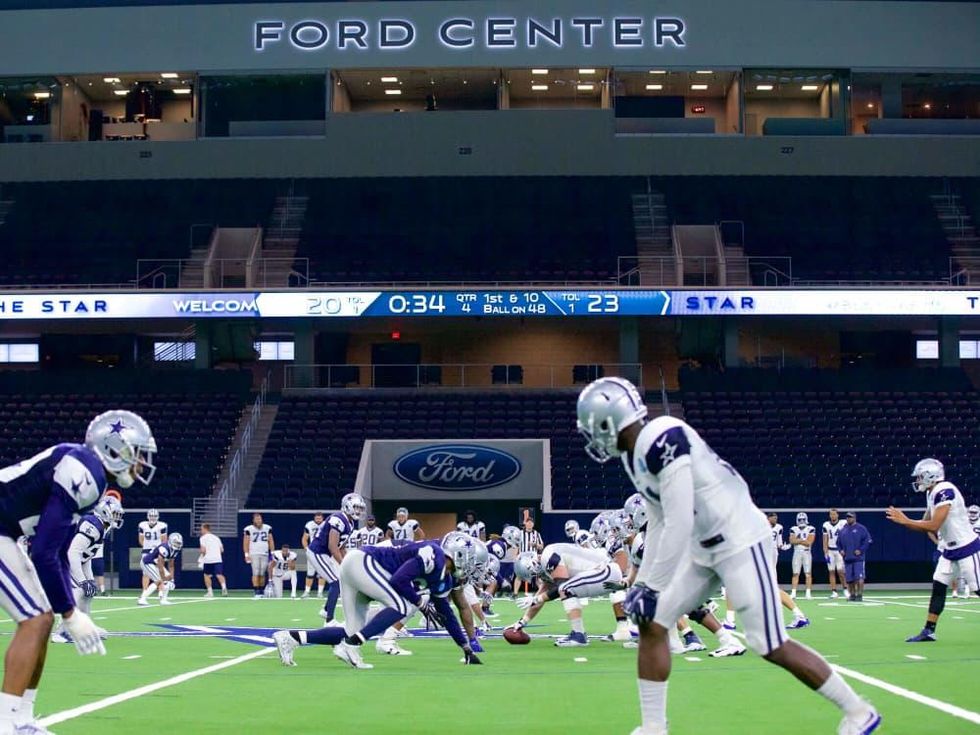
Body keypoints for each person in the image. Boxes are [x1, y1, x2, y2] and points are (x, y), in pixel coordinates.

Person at [576, 377, 880, 735]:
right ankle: (654, 727)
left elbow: (677, 518)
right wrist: (644, 586)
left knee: (767, 643)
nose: (593, 437)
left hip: (740, 541)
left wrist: (653, 585)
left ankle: (859, 711)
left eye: (594, 428)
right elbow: (658, 521)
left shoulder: (663, 438)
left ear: (610, 422)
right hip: (704, 548)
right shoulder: (635, 458)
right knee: (652, 622)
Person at [0, 409, 156, 733]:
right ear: (114, 449)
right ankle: (5, 723)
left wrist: (65, 608)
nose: (140, 463)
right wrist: (70, 614)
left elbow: (53, 549)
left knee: (42, 621)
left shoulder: (89, 474)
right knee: (34, 620)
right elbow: (44, 552)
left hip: (8, 534)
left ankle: (22, 719)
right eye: (136, 454)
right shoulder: (84, 470)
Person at [272, 537, 484, 670]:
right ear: (459, 555)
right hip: (362, 562)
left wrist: (465, 647)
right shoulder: (434, 554)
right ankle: (353, 644)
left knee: (350, 630)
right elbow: (398, 580)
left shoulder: (443, 577)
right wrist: (420, 603)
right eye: (473, 562)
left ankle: (291, 637)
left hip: (360, 569)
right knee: (403, 606)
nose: (473, 569)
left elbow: (445, 612)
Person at [886, 458, 980, 642]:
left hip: (966, 547)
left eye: (921, 477)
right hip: (949, 549)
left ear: (931, 476)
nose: (918, 480)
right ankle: (929, 630)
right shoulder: (932, 493)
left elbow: (934, 524)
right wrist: (905, 522)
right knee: (938, 586)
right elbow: (925, 524)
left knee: (978, 589)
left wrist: (906, 520)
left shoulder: (945, 491)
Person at [52, 495, 124, 644]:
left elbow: (86, 557)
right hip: (60, 558)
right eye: (115, 513)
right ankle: (61, 632)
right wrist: (82, 580)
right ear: (105, 511)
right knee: (78, 590)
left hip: (69, 558)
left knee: (88, 590)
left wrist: (89, 580)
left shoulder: (102, 527)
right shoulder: (93, 524)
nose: (117, 517)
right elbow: (73, 552)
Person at [309, 493, 364, 626]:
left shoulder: (350, 523)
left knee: (339, 582)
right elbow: (332, 546)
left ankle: (326, 609)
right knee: (335, 582)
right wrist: (344, 565)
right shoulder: (338, 519)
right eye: (355, 507)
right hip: (317, 552)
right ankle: (329, 620)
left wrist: (348, 563)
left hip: (325, 554)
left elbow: (341, 547)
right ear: (347, 506)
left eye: (360, 508)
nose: (358, 511)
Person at [138, 533, 184, 606]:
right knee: (158, 581)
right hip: (147, 562)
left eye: (178, 543)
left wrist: (172, 579)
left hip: (155, 563)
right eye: (176, 543)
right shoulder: (164, 548)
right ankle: (142, 599)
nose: (177, 545)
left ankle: (164, 599)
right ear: (171, 541)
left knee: (168, 579)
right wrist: (164, 578)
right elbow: (160, 564)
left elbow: (171, 565)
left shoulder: (175, 550)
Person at [836, 513, 871, 603]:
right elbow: (838, 543)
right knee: (849, 579)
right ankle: (852, 594)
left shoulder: (861, 528)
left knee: (859, 577)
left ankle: (859, 594)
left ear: (854, 518)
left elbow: (868, 541)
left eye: (850, 517)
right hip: (847, 558)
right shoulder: (843, 530)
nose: (848, 519)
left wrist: (861, 550)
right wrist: (841, 550)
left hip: (858, 559)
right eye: (847, 517)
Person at [243, 513, 274, 599]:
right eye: (256, 519)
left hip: (264, 553)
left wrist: (272, 552)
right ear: (253, 520)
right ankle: (256, 591)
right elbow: (246, 542)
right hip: (254, 553)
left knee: (262, 572)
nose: (258, 521)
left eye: (259, 519)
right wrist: (246, 554)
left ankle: (261, 590)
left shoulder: (267, 528)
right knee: (256, 572)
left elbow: (270, 540)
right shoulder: (249, 529)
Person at [138, 508, 167, 594]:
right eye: (151, 516)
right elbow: (140, 540)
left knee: (160, 571)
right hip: (146, 551)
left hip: (157, 551)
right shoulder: (142, 525)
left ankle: (161, 592)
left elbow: (164, 540)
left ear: (157, 517)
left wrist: (158, 550)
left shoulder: (162, 526)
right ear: (148, 516)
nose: (153, 518)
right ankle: (145, 591)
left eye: (154, 516)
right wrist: (148, 548)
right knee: (146, 572)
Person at [822, 509, 847, 599]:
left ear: (837, 515)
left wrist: (845, 549)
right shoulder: (826, 525)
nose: (832, 516)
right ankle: (834, 591)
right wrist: (825, 553)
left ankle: (845, 589)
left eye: (834, 514)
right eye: (831, 514)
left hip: (839, 550)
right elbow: (825, 539)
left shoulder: (843, 523)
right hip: (830, 550)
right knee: (831, 571)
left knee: (841, 571)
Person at [790, 512, 815, 600]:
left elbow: (809, 543)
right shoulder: (793, 529)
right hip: (797, 552)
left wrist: (798, 540)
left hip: (806, 552)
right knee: (795, 573)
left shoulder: (810, 528)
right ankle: (793, 592)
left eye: (803, 519)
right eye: (800, 519)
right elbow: (792, 541)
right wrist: (803, 540)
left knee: (808, 573)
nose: (801, 521)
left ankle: (808, 593)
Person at [515, 518, 544, 595]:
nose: (530, 524)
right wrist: (516, 556)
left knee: (537, 575)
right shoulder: (520, 533)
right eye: (528, 523)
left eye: (531, 523)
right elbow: (516, 545)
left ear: (533, 524)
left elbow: (541, 546)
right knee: (519, 575)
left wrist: (534, 544)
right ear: (525, 524)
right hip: (522, 556)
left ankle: (541, 591)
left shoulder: (536, 533)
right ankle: (515, 593)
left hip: (533, 557)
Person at [300, 512, 325, 599]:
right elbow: (304, 538)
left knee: (322, 573)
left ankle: (320, 592)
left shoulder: (326, 525)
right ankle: (307, 592)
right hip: (313, 551)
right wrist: (307, 549)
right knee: (310, 573)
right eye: (317, 518)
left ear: (322, 518)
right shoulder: (309, 525)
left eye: (320, 518)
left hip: (323, 551)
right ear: (314, 518)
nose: (318, 520)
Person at [198, 523, 226, 598]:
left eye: (201, 529)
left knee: (206, 575)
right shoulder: (217, 538)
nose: (201, 531)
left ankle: (210, 592)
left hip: (208, 560)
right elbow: (222, 550)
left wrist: (201, 556)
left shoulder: (202, 538)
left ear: (205, 529)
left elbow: (203, 550)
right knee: (219, 574)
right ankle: (224, 588)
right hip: (218, 559)